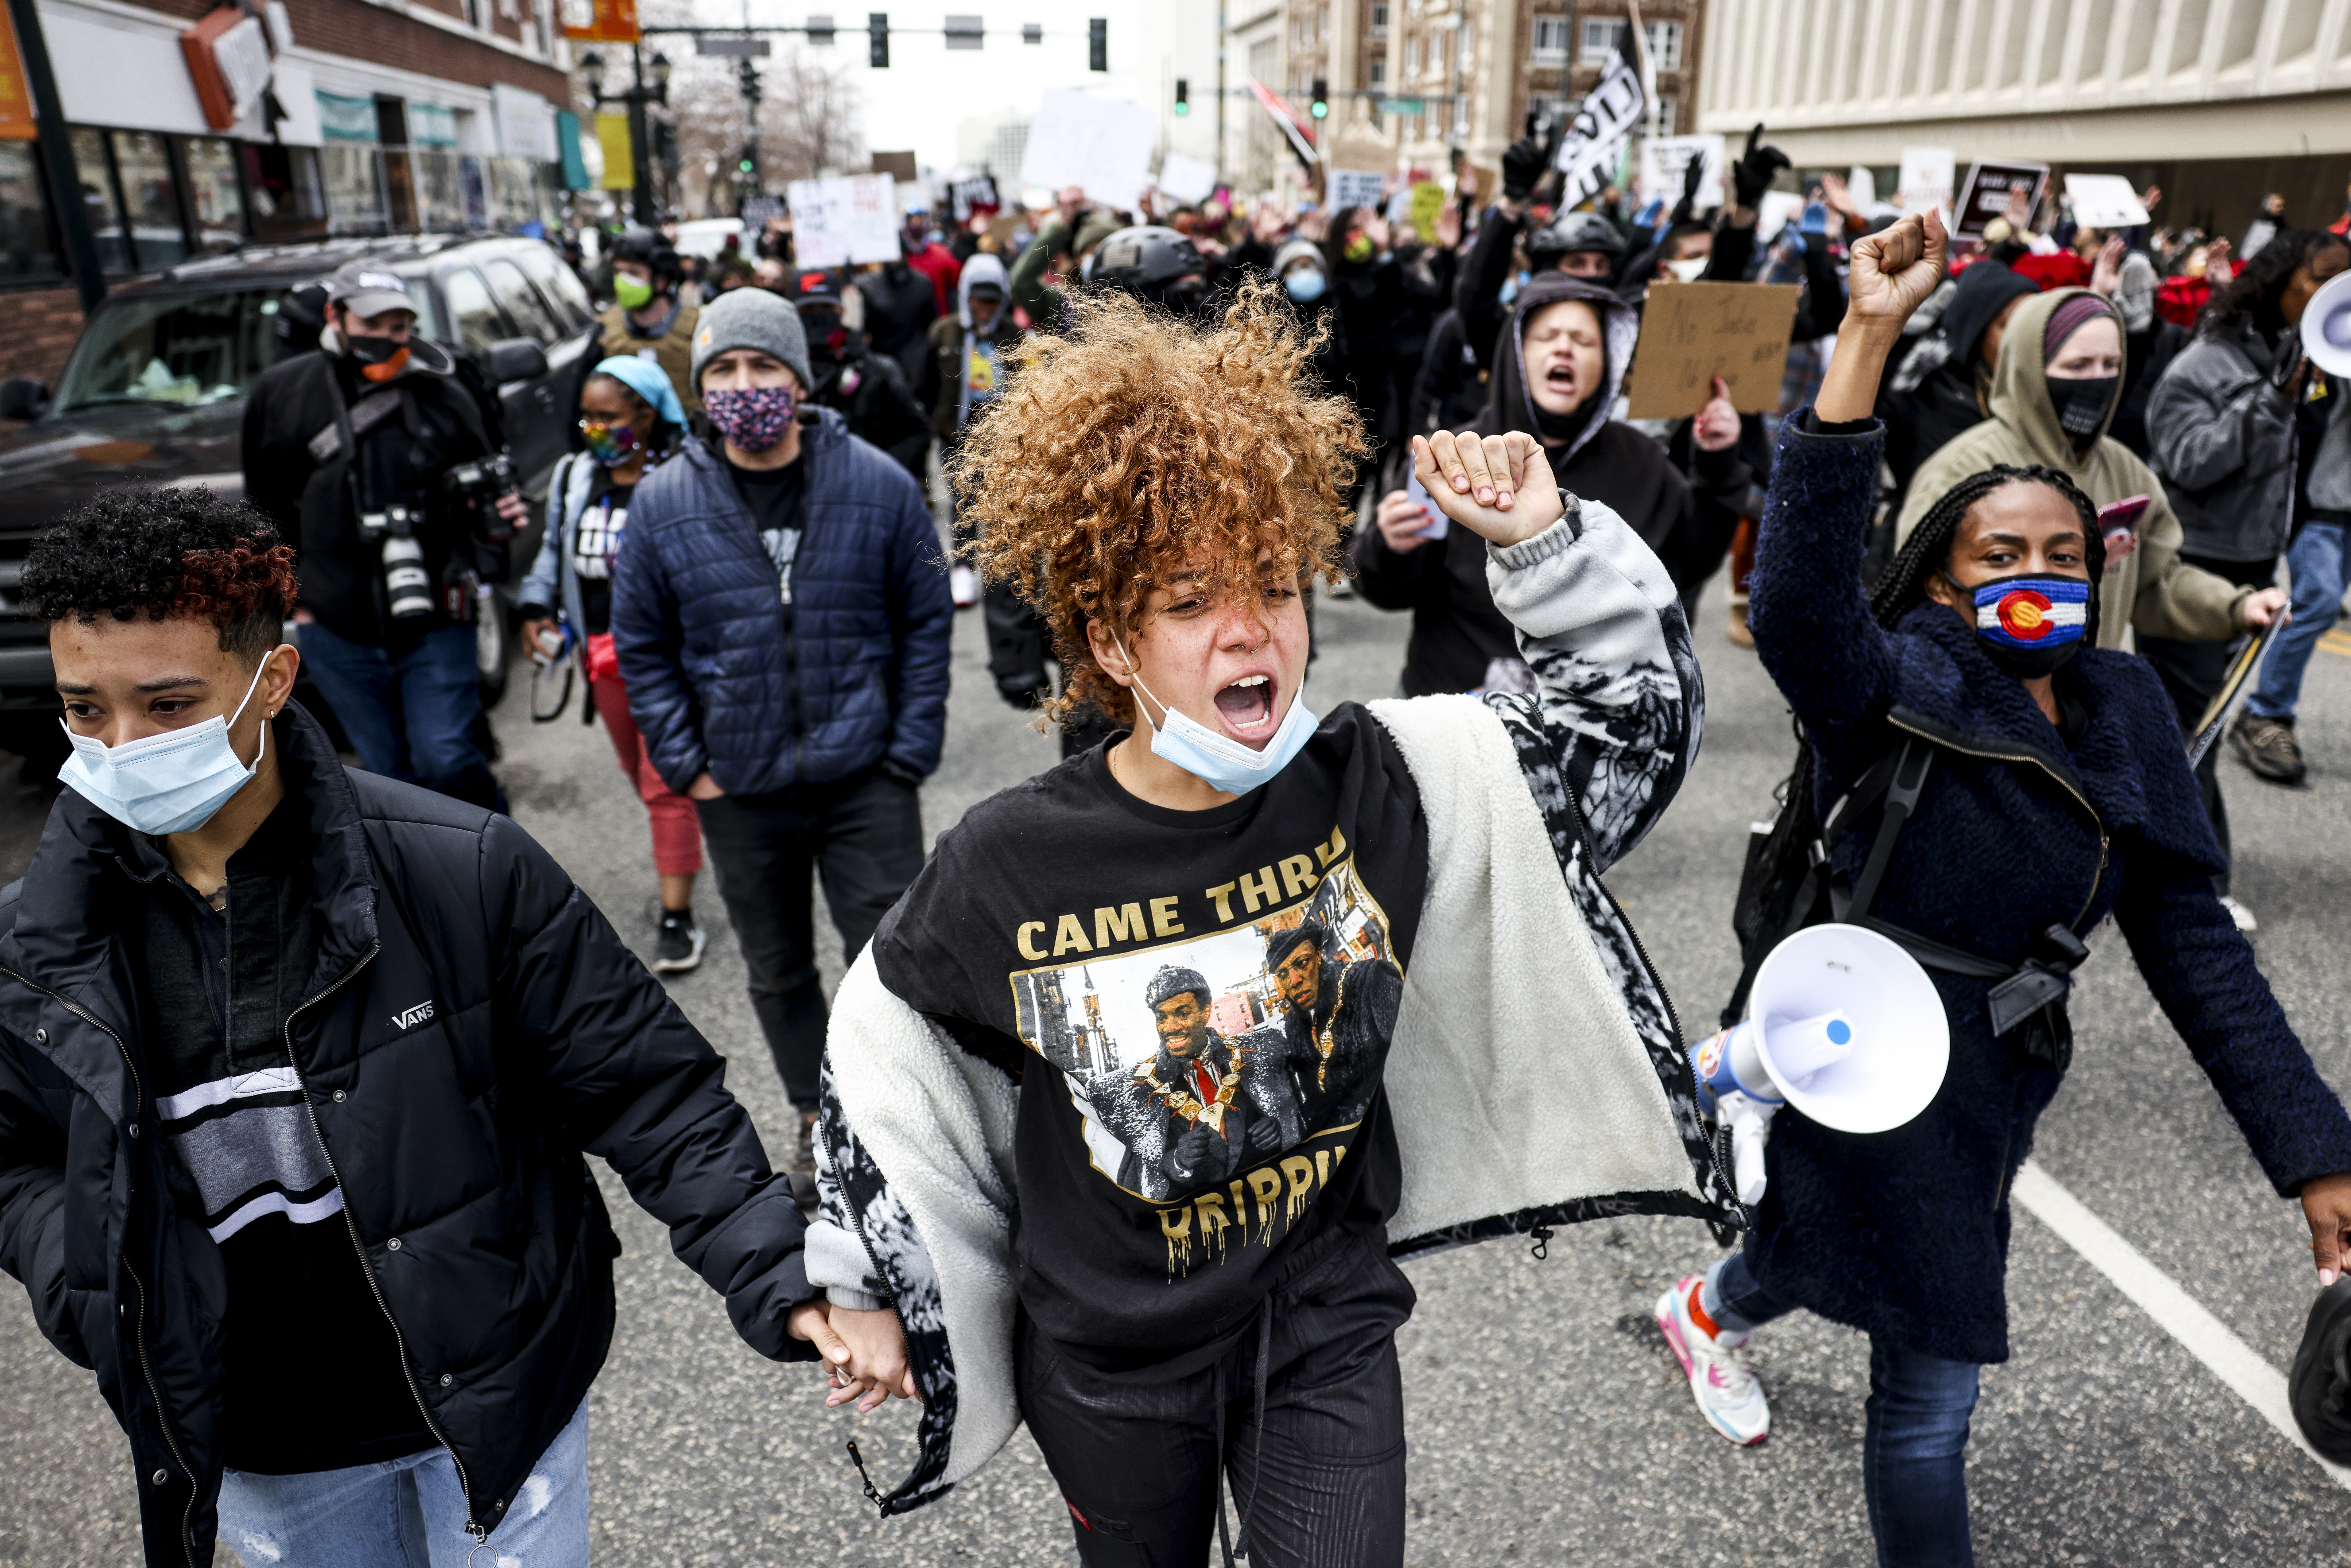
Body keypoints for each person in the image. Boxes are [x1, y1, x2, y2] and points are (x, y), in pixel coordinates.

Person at [787, 280, 1735, 1563]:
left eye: (1276, 587)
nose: (1249, 631)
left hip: (1322, 1320)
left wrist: (1543, 546)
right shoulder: (1009, 857)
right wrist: (862, 1278)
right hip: (1113, 1363)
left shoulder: (1388, 779)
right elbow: (882, 1063)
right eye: (1188, 602)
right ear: (1110, 642)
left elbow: (1626, 742)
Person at [1655, 209, 2351, 1567]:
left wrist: (2313, 1149)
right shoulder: (1895, 685)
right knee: (1929, 1392)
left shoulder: (2123, 707)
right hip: (1861, 1051)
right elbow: (1796, 605)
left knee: (1809, 1248)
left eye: (2059, 555)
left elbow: (2194, 945)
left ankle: (1706, 1306)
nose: (2035, 575)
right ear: (1938, 578)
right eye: (1997, 556)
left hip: (1995, 1076)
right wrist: (1861, 338)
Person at [0, 488, 817, 1566]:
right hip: (261, 1442)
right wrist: (90, 1278)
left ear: (273, 679)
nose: (120, 745)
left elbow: (646, 1089)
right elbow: (13, 1152)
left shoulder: (462, 868)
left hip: (499, 1394)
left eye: (167, 704)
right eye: (83, 708)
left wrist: (782, 1273)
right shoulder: (35, 946)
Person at [610, 286, 952, 1198]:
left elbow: (925, 619)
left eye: (762, 365)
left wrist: (909, 749)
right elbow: (642, 645)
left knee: (894, 959)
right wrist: (690, 765)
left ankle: (911, 1119)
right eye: (723, 369)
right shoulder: (664, 504)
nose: (743, 384)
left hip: (866, 778)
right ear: (701, 386)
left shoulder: (877, 483)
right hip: (742, 789)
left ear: (798, 379)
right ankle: (817, 1116)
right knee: (779, 970)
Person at [1353, 273, 1746, 694]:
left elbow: (1694, 558)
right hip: (1451, 703)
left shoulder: (1642, 460)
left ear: (1608, 362)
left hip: (1593, 711)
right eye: (1547, 336)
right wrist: (1389, 545)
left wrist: (1717, 460)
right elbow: (1383, 591)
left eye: (1583, 341)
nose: (1564, 348)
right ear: (1515, 354)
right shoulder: (1457, 453)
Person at [240, 260, 525, 812]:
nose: (387, 338)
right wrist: (297, 603)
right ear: (335, 316)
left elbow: (489, 480)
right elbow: (265, 509)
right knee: (389, 775)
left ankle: (494, 847)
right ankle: (418, 865)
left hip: (439, 612)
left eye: (399, 326)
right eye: (371, 324)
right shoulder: (283, 391)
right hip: (335, 622)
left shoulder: (443, 387)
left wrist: (496, 523)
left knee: (447, 757)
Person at [1895, 286, 2286, 655]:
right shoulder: (1967, 467)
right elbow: (1921, 595)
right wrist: (2071, 570)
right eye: (2078, 365)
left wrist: (2237, 607)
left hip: (2085, 694)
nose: (2098, 379)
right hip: (1983, 689)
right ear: (2031, 369)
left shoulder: (2125, 470)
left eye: (2110, 364)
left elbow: (2155, 584)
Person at [2144, 228, 2350, 921]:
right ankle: (2204, 889)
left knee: (2188, 723)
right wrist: (2272, 398)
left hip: (2252, 563)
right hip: (2196, 566)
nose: (2331, 294)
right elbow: (2189, 460)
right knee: (2195, 728)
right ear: (2274, 283)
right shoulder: (2204, 362)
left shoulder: (2298, 355)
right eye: (2319, 278)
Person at [518, 357, 707, 974]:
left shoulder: (686, 475)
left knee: (662, 782)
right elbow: (554, 550)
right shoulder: (575, 475)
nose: (594, 429)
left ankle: (677, 916)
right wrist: (535, 606)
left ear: (646, 417)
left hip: (669, 657)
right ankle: (686, 840)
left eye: (609, 417)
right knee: (637, 771)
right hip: (600, 655)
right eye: (587, 417)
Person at [927, 252, 1024, 608]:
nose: (984, 308)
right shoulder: (945, 331)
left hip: (1000, 433)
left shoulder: (1012, 334)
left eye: (992, 300)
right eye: (978, 299)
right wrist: (935, 422)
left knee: (1002, 501)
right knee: (963, 501)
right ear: (966, 295)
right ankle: (963, 567)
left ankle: (1004, 568)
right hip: (957, 433)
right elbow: (927, 382)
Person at [796, 274, 933, 485]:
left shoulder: (878, 371)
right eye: (809, 310)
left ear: (841, 312)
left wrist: (876, 474)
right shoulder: (782, 376)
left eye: (826, 308)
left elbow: (918, 433)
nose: (818, 316)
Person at [591, 227, 700, 416]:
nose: (622, 281)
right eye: (618, 271)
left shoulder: (697, 328)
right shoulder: (606, 328)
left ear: (661, 281)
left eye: (634, 273)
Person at [900, 203, 962, 317]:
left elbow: (957, 281)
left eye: (919, 220)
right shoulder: (901, 257)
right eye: (912, 221)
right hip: (911, 319)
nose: (916, 224)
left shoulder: (942, 253)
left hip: (940, 316)